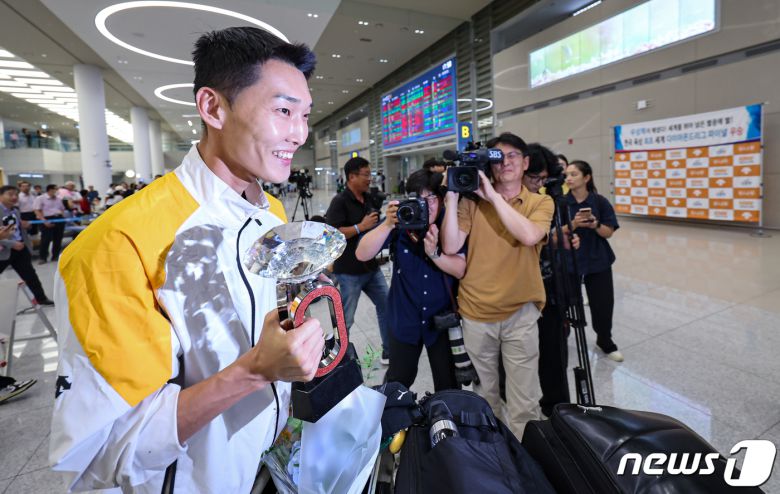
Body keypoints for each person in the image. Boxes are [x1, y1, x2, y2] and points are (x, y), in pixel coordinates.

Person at [50, 26, 324, 493]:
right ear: (213, 107)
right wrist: (255, 370)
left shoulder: (271, 213)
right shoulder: (119, 243)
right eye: (282, 111)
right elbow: (106, 449)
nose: (298, 133)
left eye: (304, 115)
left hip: (268, 466)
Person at [440, 132, 554, 438]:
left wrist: (493, 197)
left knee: (525, 401)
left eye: (513, 156)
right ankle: (493, 456)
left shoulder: (539, 202)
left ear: (526, 162)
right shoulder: (472, 203)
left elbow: (529, 236)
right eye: (497, 158)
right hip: (477, 313)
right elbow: (450, 246)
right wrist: (452, 195)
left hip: (521, 313)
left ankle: (525, 462)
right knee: (484, 397)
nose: (505, 163)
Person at [356, 169, 464, 391]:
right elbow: (362, 254)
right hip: (404, 319)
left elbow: (461, 269)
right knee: (398, 381)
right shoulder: (401, 223)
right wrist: (387, 224)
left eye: (431, 198)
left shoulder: (450, 225)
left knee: (448, 385)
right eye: (418, 199)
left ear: (442, 199)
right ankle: (394, 423)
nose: (426, 205)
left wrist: (436, 253)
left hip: (440, 322)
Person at [524, 144, 580, 416]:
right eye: (535, 178)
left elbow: (544, 238)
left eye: (543, 179)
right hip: (518, 296)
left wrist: (560, 239)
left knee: (554, 356)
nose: (539, 184)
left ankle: (557, 408)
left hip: (551, 287)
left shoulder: (548, 202)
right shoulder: (510, 203)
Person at [325, 156, 391, 364]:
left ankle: (389, 351)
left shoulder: (368, 198)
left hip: (371, 267)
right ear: (351, 176)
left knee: (386, 306)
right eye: (366, 175)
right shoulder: (340, 201)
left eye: (370, 174)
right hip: (348, 271)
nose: (369, 179)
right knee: (346, 318)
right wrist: (359, 228)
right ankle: (337, 358)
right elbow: (330, 233)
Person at [562, 160, 623, 362]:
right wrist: (574, 224)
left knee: (603, 305)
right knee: (568, 305)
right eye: (567, 174)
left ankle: (605, 340)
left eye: (574, 174)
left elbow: (608, 233)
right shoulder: (560, 203)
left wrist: (594, 224)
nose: (568, 178)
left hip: (598, 261)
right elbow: (554, 234)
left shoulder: (600, 202)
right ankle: (563, 340)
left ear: (586, 178)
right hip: (569, 262)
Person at [0, 186, 54, 305]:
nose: (14, 197)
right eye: (10, 194)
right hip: (4, 250)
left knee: (30, 275)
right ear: (1, 195)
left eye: (15, 194)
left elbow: (17, 229)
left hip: (20, 248)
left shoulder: (15, 210)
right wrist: (12, 244)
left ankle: (41, 298)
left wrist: (26, 227)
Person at [33, 184, 66, 264]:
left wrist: (62, 217)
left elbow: (62, 209)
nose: (57, 191)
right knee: (45, 239)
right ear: (50, 190)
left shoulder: (58, 199)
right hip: (46, 219)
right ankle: (43, 257)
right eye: (55, 189)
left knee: (58, 238)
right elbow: (37, 210)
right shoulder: (40, 198)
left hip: (58, 219)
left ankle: (55, 256)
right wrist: (44, 221)